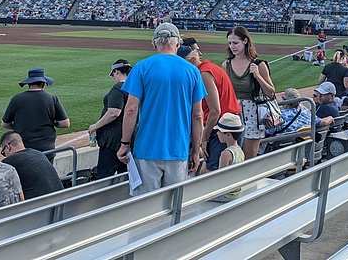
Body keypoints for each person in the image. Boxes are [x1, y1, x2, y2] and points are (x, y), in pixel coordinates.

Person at [118, 22, 207, 196]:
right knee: (174, 206)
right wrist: (196, 151)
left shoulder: (142, 67)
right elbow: (197, 116)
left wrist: (124, 144)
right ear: (178, 43)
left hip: (147, 149)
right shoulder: (192, 71)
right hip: (178, 149)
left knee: (144, 207)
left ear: (154, 43)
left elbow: (131, 110)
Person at [180, 38, 241, 172]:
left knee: (215, 169)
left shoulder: (204, 73)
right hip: (225, 122)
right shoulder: (208, 69)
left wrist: (204, 138)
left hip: (222, 125)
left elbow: (215, 111)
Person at [224, 25, 275, 160]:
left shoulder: (258, 64)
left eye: (235, 43)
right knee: (232, 156)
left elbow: (271, 93)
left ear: (245, 41)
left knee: (248, 158)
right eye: (230, 43)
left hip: (252, 114)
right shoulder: (226, 65)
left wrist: (257, 76)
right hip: (233, 113)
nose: (232, 46)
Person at [2, 67, 70, 153]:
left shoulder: (17, 99)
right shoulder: (52, 99)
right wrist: (53, 123)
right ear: (43, 83)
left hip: (23, 149)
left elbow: (5, 124)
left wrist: (19, 125)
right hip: (47, 148)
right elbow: (65, 123)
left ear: (29, 83)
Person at [88, 60, 132, 179]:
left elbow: (113, 112)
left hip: (112, 141)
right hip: (129, 139)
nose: (113, 78)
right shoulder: (134, 88)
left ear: (116, 72)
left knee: (104, 177)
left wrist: (95, 126)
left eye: (113, 74)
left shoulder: (118, 89)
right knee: (126, 177)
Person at [0, 131, 63, 199]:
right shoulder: (38, 153)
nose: (5, 156)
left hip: (40, 206)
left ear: (8, 147)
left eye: (3, 153)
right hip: (61, 201)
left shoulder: (10, 161)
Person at [211, 113, 246, 202]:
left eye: (219, 131)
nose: (217, 133)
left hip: (226, 195)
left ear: (228, 134)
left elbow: (221, 178)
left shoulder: (226, 154)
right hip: (237, 192)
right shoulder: (240, 151)